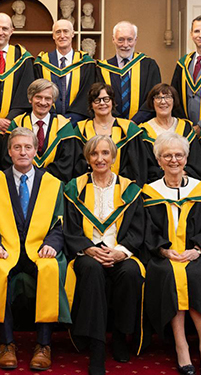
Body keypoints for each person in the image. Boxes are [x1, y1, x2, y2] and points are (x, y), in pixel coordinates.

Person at [0, 127, 71, 371]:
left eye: (28, 147)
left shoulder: (53, 184)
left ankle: (43, 344)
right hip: (7, 250)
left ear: (36, 150)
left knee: (50, 269)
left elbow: (60, 224)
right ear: (9, 152)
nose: (22, 152)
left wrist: (51, 244)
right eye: (17, 147)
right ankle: (6, 343)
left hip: (40, 251)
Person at [142, 132, 201, 375]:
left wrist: (197, 250)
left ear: (187, 158)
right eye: (167, 155)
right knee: (169, 275)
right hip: (163, 257)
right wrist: (163, 250)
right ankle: (181, 345)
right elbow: (146, 230)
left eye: (178, 155)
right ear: (158, 160)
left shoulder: (200, 190)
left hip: (196, 254)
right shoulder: (150, 192)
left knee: (198, 275)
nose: (173, 160)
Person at [63, 135, 148, 375]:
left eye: (105, 153)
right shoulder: (74, 187)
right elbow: (70, 227)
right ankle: (97, 345)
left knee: (131, 272)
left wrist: (120, 252)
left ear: (113, 157)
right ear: (87, 158)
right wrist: (88, 248)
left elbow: (137, 229)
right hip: (87, 252)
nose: (100, 159)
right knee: (91, 270)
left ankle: (121, 336)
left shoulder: (129, 189)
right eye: (94, 154)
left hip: (119, 250)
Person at [76, 82, 152, 185]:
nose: (102, 103)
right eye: (97, 100)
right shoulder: (81, 130)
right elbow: (77, 164)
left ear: (112, 102)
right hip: (88, 187)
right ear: (91, 105)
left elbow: (137, 166)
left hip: (122, 188)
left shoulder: (128, 129)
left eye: (106, 99)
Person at [7, 79, 81, 182]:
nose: (43, 102)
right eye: (38, 97)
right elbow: (7, 158)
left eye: (47, 98)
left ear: (53, 101)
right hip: (20, 182)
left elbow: (66, 163)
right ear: (30, 99)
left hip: (53, 184)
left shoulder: (63, 126)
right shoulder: (17, 124)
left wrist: (40, 178)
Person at [96, 21, 161, 123]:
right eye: (121, 40)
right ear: (113, 40)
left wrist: (135, 121)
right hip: (111, 125)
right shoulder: (102, 69)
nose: (125, 45)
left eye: (129, 40)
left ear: (136, 40)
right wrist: (118, 122)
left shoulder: (149, 66)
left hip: (142, 126)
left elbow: (153, 97)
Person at [139, 84, 201, 182]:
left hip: (187, 182)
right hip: (156, 186)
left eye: (168, 97)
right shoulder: (143, 132)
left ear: (174, 101)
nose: (163, 101)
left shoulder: (186, 128)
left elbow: (197, 163)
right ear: (152, 102)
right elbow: (144, 167)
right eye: (158, 97)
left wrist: (179, 174)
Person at [34, 20, 97, 124]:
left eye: (65, 31)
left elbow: (86, 93)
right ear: (53, 35)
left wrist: (74, 117)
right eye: (58, 32)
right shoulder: (41, 63)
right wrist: (53, 117)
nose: (62, 36)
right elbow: (38, 92)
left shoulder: (86, 63)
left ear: (72, 34)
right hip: (49, 121)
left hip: (78, 123)